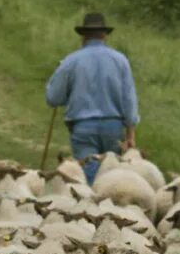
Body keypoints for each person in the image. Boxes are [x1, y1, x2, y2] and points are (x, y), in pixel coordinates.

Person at [45, 12, 140, 184]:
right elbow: (129, 100)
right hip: (113, 127)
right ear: (104, 35)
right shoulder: (120, 60)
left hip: (83, 128)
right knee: (112, 175)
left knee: (88, 175)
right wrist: (130, 134)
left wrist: (69, 93)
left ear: (83, 36)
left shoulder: (71, 61)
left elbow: (53, 98)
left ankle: (88, 204)